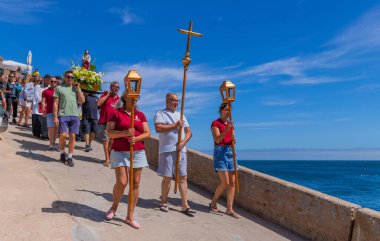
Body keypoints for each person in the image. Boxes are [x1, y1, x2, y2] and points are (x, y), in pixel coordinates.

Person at [105, 90, 151, 229]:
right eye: (133, 96)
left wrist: (136, 138)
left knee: (135, 183)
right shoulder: (116, 112)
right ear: (125, 96)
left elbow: (147, 133)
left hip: (137, 151)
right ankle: (114, 207)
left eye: (137, 97)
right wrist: (124, 133)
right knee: (122, 182)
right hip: (119, 151)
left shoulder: (140, 115)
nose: (136, 99)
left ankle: (130, 217)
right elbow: (110, 132)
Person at [154, 93, 195, 214]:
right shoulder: (160, 113)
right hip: (167, 149)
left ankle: (184, 204)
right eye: (173, 100)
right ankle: (164, 202)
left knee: (183, 177)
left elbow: (189, 131)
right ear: (167, 101)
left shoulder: (181, 115)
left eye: (177, 101)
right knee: (167, 177)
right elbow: (158, 128)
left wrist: (183, 142)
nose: (176, 103)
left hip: (181, 150)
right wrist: (175, 125)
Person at [209, 103, 240, 219]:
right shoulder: (215, 123)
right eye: (227, 110)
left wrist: (233, 139)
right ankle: (213, 202)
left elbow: (233, 140)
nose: (228, 113)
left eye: (230, 111)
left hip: (230, 152)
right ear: (221, 110)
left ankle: (229, 209)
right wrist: (227, 128)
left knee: (232, 182)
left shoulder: (231, 125)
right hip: (220, 152)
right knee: (225, 182)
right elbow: (217, 139)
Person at [53, 70, 85, 167]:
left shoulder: (76, 89)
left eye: (72, 77)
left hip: (75, 115)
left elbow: (82, 101)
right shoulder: (59, 88)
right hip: (63, 114)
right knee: (62, 135)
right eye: (68, 77)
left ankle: (70, 156)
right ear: (64, 77)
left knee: (72, 136)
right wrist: (55, 116)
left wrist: (78, 88)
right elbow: (55, 103)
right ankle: (62, 152)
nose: (70, 79)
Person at [97, 82, 120, 166]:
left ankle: (109, 158)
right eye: (114, 86)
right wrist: (107, 95)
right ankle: (107, 159)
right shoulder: (105, 94)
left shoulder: (119, 99)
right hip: (104, 121)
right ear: (110, 87)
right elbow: (98, 103)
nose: (116, 88)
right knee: (106, 140)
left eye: (118, 87)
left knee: (111, 141)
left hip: (114, 123)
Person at [42, 76, 58, 150]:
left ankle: (54, 143)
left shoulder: (59, 91)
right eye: (51, 81)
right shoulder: (45, 91)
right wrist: (43, 109)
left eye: (55, 81)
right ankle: (51, 143)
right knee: (50, 128)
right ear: (49, 82)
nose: (53, 83)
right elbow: (43, 101)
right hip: (50, 112)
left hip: (59, 113)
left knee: (56, 129)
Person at [31, 73, 48, 139]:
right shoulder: (38, 86)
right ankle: (36, 133)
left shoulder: (50, 87)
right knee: (37, 120)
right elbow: (37, 96)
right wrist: (42, 101)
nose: (47, 82)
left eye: (48, 80)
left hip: (46, 105)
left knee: (44, 121)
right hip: (39, 105)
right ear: (44, 80)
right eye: (46, 80)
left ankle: (44, 134)